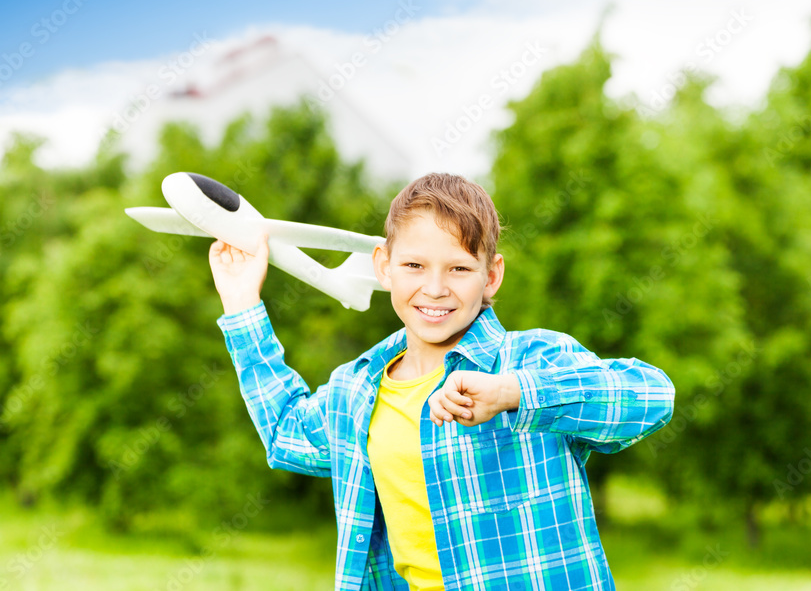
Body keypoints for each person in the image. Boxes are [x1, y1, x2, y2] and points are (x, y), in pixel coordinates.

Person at [208, 172, 675, 591]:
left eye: (459, 268)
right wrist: (242, 301)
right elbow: (286, 431)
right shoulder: (356, 390)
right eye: (414, 266)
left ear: (491, 276)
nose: (434, 288)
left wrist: (515, 394)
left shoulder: (532, 358)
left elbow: (653, 395)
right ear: (383, 266)